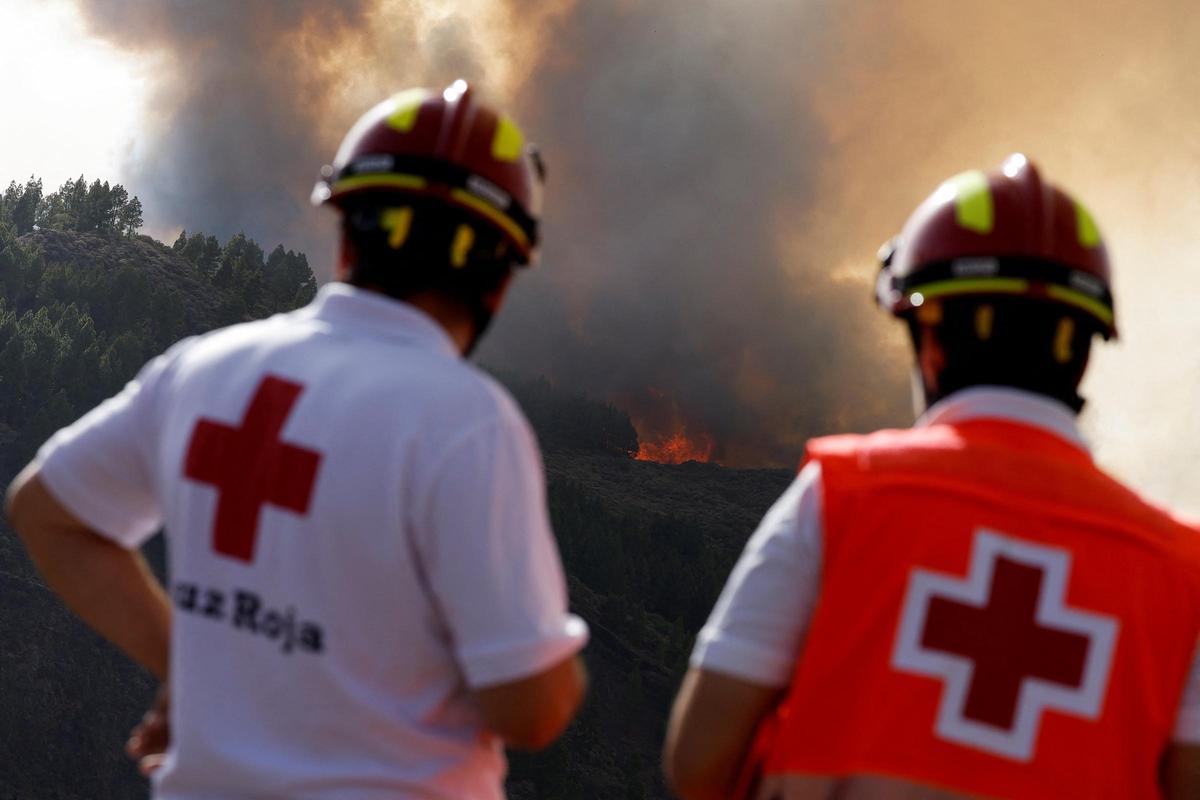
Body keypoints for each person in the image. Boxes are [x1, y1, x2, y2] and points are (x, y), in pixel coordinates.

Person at [5, 80, 588, 799]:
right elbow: (529, 709)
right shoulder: (466, 422)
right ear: (500, 277)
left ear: (344, 235)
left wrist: (187, 670)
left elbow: (43, 508)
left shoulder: (206, 368)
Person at [663, 154, 1200, 799]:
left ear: (931, 340)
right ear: (1084, 351)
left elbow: (698, 761)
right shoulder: (1181, 569)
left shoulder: (843, 495)